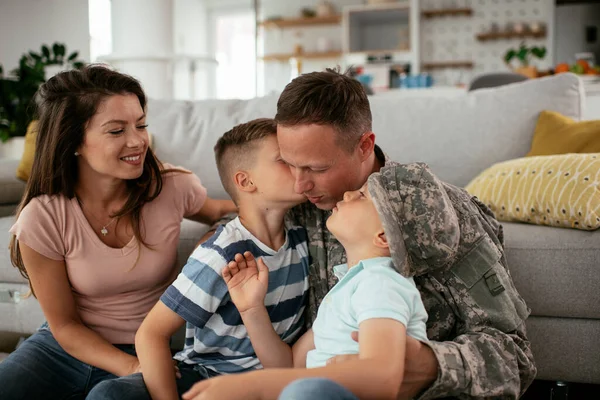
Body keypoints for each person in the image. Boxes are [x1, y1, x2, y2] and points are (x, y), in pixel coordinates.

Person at [187, 68, 536, 399]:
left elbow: (515, 358)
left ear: (365, 145)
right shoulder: (297, 203)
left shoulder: (432, 213)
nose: (299, 184)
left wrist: (431, 364)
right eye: (289, 164)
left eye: (316, 168)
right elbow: (245, 205)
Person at [0, 65, 236, 400]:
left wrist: (212, 239)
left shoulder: (172, 186)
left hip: (150, 344)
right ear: (74, 142)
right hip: (64, 349)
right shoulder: (41, 218)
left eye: (141, 125)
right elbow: (65, 326)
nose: (138, 140)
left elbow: (227, 210)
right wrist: (131, 367)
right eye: (116, 131)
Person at [92, 118, 310, 400]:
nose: (299, 167)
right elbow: (150, 334)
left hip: (265, 383)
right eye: (284, 160)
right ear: (246, 181)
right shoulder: (222, 253)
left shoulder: (303, 241)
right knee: (110, 395)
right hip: (203, 378)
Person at [198, 164, 432, 400]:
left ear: (382, 236)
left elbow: (384, 378)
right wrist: (251, 309)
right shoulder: (350, 287)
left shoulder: (382, 283)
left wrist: (254, 385)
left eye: (362, 196)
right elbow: (289, 367)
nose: (348, 194)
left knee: (308, 390)